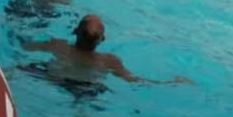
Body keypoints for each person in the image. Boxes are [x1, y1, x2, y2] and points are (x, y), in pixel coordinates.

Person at [22, 14, 189, 86]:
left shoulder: (57, 45)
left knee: (22, 68)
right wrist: (171, 82)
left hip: (55, 77)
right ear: (103, 40)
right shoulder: (109, 60)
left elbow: (25, 47)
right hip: (88, 88)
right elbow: (134, 81)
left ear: (74, 31)